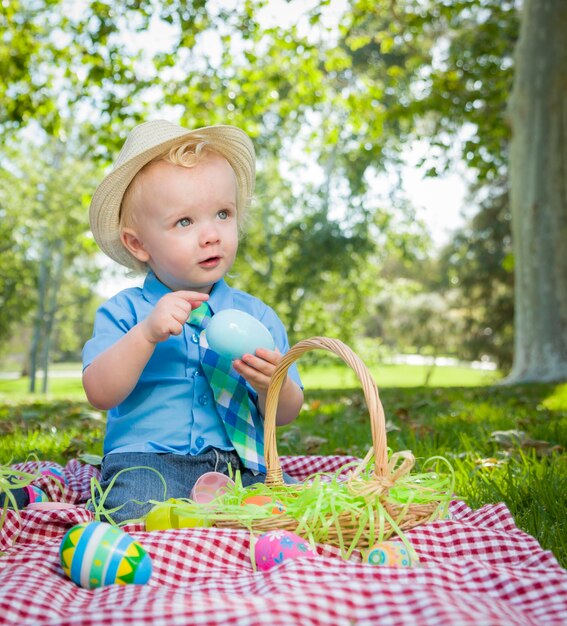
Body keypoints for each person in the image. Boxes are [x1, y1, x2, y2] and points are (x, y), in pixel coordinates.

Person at [83, 120, 304, 523]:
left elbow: (287, 412)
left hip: (240, 466)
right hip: (149, 463)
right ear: (138, 243)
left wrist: (274, 385)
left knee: (284, 516)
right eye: (185, 222)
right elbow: (99, 392)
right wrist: (146, 335)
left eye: (223, 214)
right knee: (134, 517)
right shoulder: (126, 313)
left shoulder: (256, 316)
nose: (211, 235)